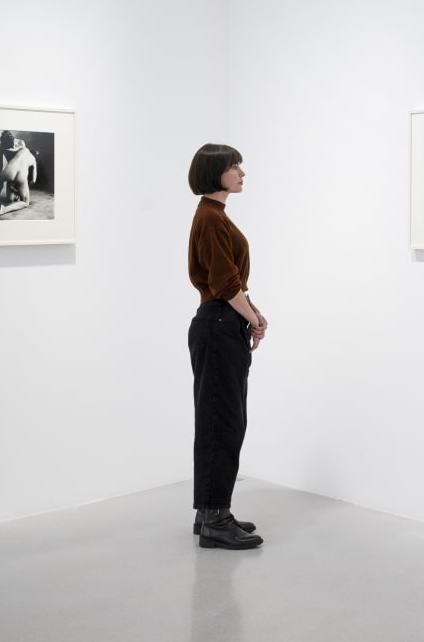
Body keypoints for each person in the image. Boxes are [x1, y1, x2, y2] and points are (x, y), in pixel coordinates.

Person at [187, 143, 268, 550]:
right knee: (224, 422)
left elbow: (231, 280)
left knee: (221, 419)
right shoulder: (211, 218)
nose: (241, 172)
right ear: (215, 172)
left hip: (221, 321)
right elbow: (224, 283)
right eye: (234, 166)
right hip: (218, 324)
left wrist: (252, 311)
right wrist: (250, 317)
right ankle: (215, 518)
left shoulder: (214, 215)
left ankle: (211, 512)